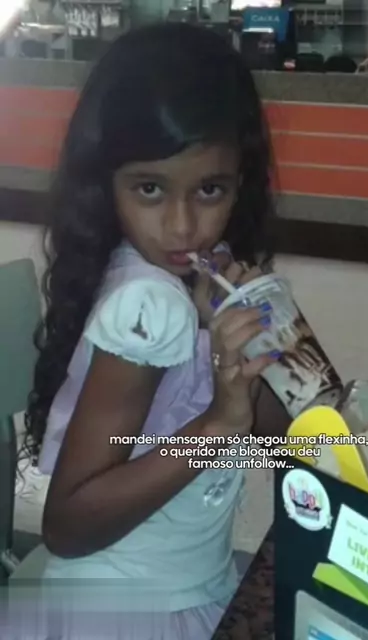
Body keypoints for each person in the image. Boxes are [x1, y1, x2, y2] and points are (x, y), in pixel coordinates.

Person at [10, 21, 290, 640]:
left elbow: (285, 445)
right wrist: (218, 425)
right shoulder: (151, 307)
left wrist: (254, 350)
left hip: (178, 589)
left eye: (209, 189)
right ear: (106, 181)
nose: (182, 226)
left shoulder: (181, 281)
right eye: (150, 189)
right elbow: (68, 526)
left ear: (240, 182)